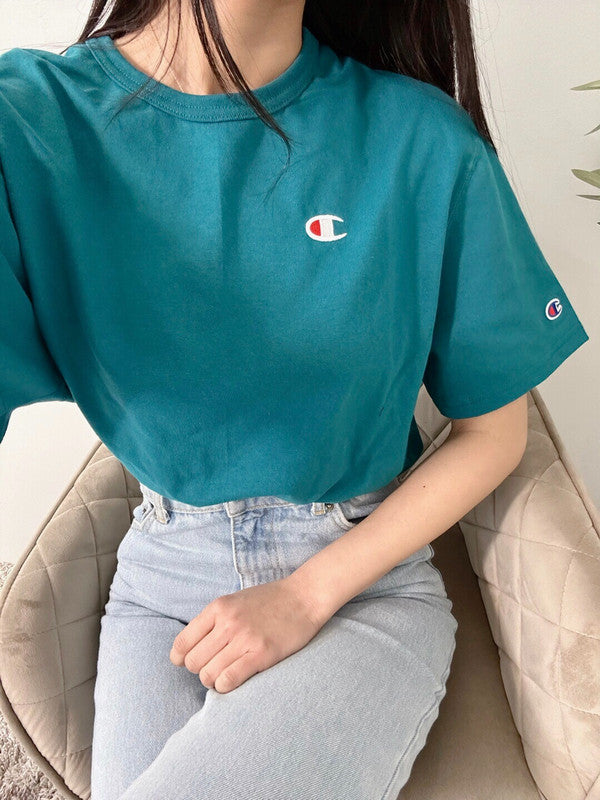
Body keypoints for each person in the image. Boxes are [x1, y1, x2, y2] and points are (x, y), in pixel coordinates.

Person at [0, 1, 589, 798]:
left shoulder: (421, 141)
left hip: (362, 584)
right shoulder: (26, 124)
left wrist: (306, 595)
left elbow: (494, 435)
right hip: (159, 581)